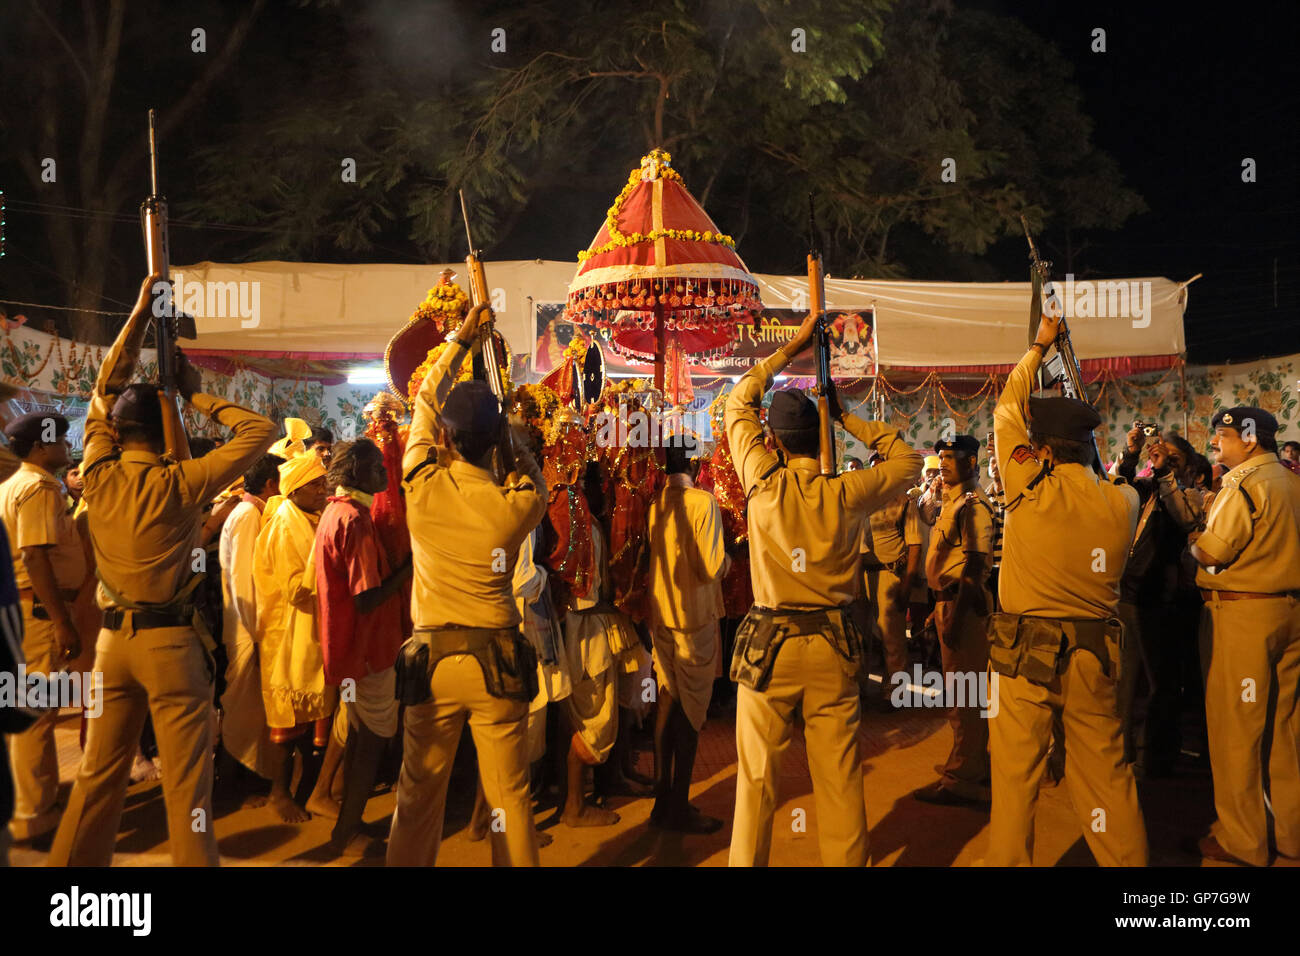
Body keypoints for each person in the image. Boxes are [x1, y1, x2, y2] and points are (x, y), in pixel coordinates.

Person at [48, 273, 276, 867]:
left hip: (112, 645)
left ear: (118, 431)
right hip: (172, 646)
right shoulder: (184, 482)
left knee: (100, 775)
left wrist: (141, 310)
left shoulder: (95, 470)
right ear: (160, 429)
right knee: (186, 788)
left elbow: (107, 382)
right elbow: (261, 430)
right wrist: (193, 392)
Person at [726, 310, 921, 867]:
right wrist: (848, 419)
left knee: (757, 780)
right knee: (838, 779)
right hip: (834, 648)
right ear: (818, 438)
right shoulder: (848, 493)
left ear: (775, 442)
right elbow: (907, 457)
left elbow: (738, 401)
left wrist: (789, 350)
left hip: (770, 648)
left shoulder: (761, 482)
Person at [386, 303, 547, 866]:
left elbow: (425, 399)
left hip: (433, 663)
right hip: (495, 661)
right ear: (493, 439)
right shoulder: (516, 505)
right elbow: (532, 477)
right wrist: (514, 441)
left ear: (447, 442)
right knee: (510, 801)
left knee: (417, 798)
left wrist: (459, 341)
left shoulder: (421, 485)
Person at [985, 307, 1146, 867]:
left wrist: (1039, 347)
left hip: (1025, 649)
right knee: (1107, 772)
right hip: (1094, 653)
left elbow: (1007, 406)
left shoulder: (1029, 484)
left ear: (1043, 449)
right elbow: (1102, 480)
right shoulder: (1122, 501)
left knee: (1014, 778)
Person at [1188, 406, 1300, 866]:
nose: (1218, 441)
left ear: (1250, 439)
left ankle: (1242, 841)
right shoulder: (1292, 481)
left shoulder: (1244, 483)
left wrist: (1194, 540)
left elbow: (1212, 552)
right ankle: (1290, 835)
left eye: (1224, 434)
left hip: (1243, 616)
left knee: (1237, 733)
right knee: (1285, 731)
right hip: (1289, 610)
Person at [311, 438, 409, 855]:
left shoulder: (337, 511)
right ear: (358, 473)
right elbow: (366, 596)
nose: (386, 474)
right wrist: (407, 568)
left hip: (352, 648)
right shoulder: (354, 520)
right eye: (377, 468)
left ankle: (348, 825)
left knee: (359, 737)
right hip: (367, 648)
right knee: (369, 741)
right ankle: (346, 832)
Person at [1, 412, 84, 843]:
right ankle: (33, 815)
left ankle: (35, 802)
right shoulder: (37, 488)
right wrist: (62, 621)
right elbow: (35, 557)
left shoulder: (12, 485)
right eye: (61, 440)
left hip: (23, 611)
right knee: (36, 716)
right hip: (38, 613)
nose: (67, 446)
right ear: (40, 447)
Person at [646, 434, 730, 833]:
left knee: (668, 701)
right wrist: (731, 559)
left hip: (661, 616)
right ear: (696, 467)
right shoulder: (703, 503)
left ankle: (662, 802)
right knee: (692, 714)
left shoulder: (655, 504)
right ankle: (678, 805)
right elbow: (712, 567)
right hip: (693, 619)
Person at [1115, 425, 1203, 777]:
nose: (1164, 461)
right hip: (1126, 595)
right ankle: (1120, 754)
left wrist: (1165, 472)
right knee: (1123, 682)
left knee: (1159, 684)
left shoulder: (1190, 496)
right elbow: (1115, 487)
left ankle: (1151, 757)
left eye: (1174, 459)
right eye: (1161, 454)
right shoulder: (1144, 488)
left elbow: (1184, 517)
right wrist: (1132, 453)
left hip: (1159, 602)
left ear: (1188, 468)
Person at [913, 434, 994, 807]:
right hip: (950, 602)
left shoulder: (973, 505)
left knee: (966, 697)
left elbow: (976, 566)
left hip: (965, 607)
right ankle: (971, 763)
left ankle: (964, 777)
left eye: (951, 457)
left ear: (972, 462)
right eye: (941, 456)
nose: (943, 463)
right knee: (964, 693)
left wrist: (956, 616)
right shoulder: (954, 501)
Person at [253, 449, 333, 822]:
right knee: (286, 718)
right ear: (295, 489)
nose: (322, 490)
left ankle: (309, 788)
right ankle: (279, 794)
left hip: (307, 628)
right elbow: (294, 588)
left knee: (309, 718)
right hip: (287, 631)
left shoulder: (306, 516)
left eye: (322, 483)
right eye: (315, 484)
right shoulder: (286, 524)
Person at [217, 452, 283, 798]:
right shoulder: (246, 515)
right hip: (245, 624)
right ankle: (228, 787)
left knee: (249, 710)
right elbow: (244, 581)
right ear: (271, 484)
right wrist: (257, 635)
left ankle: (242, 782)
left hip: (249, 623)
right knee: (242, 711)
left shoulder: (252, 512)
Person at [860, 488, 922, 692]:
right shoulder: (863, 499)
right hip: (862, 575)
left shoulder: (903, 501)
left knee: (892, 639)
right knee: (865, 636)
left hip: (890, 575)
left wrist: (907, 583)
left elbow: (915, 545)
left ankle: (895, 692)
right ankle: (865, 688)